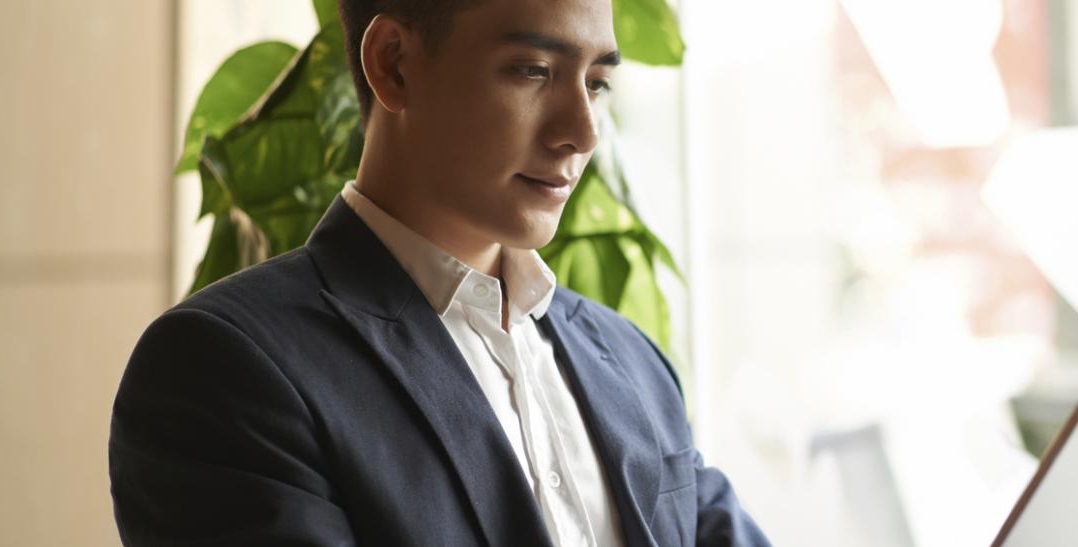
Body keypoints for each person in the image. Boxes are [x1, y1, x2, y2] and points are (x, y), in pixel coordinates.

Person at [108, 0, 769, 545]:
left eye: (597, 82)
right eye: (534, 71)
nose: (584, 130)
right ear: (393, 65)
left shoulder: (633, 365)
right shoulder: (223, 368)